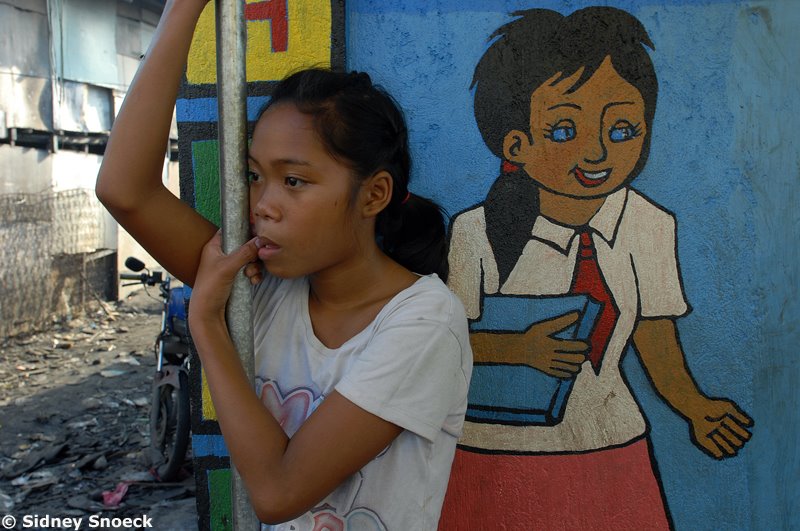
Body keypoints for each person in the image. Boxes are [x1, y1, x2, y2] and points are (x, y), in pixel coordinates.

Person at [95, 1, 472, 529]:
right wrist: (182, 8)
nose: (262, 206)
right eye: (255, 177)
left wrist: (206, 323)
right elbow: (124, 190)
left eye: (293, 181)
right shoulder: (262, 284)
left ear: (374, 195)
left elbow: (277, 492)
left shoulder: (425, 322)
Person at [440, 7, 752, 530]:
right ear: (516, 144)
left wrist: (694, 406)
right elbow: (444, 342)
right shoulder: (477, 231)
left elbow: (653, 331)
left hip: (611, 444)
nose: (597, 151)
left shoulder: (649, 224)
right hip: (495, 451)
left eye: (623, 128)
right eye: (564, 130)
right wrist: (519, 350)